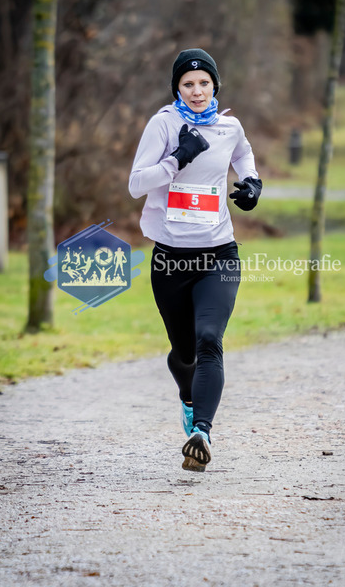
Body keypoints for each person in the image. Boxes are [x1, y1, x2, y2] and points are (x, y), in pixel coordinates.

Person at [129, 48, 262, 472]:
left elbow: (242, 154)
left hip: (219, 253)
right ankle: (188, 401)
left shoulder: (229, 126)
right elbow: (136, 184)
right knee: (184, 351)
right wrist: (177, 158)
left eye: (204, 82)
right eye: (188, 84)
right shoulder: (164, 124)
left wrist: (252, 184)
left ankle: (201, 432)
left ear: (215, 85)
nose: (197, 91)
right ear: (177, 88)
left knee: (208, 339)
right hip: (171, 260)